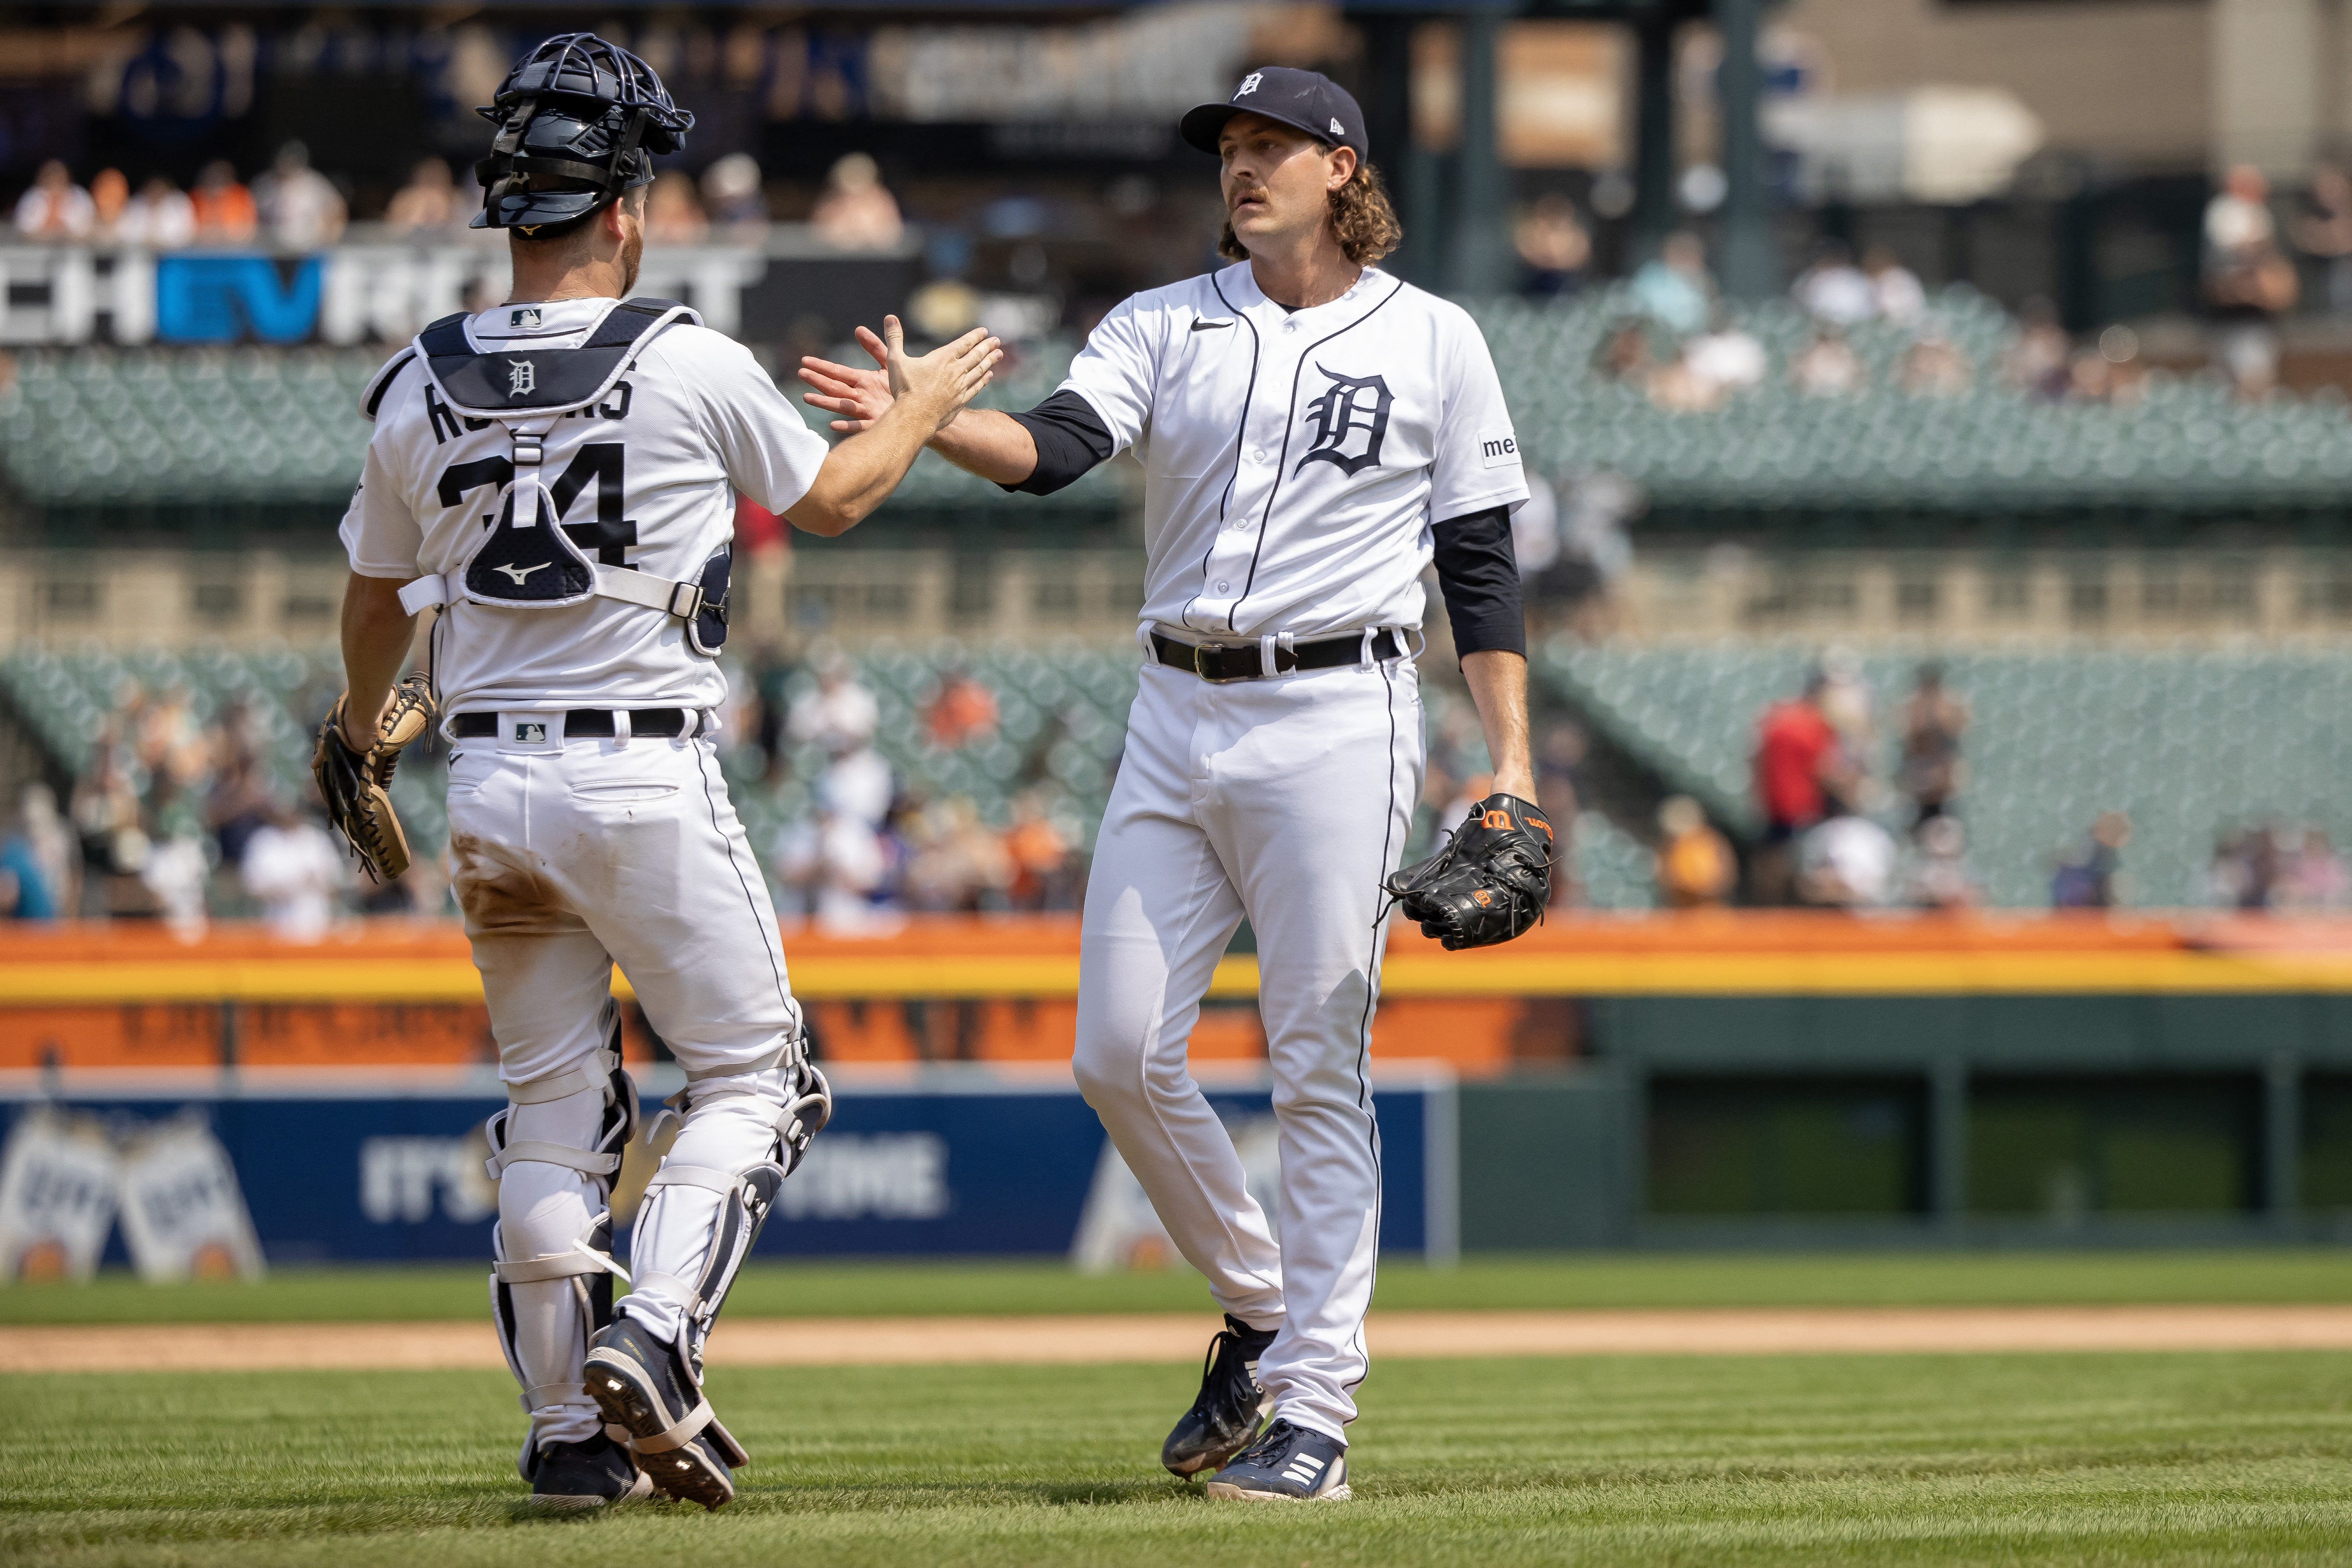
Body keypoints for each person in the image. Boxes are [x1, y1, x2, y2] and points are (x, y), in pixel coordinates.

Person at [799, 64, 1544, 1503]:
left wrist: (1510, 763)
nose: (1242, 167)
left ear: (1344, 166)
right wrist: (927, 417)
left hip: (1342, 708)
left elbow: (1483, 570)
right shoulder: (1159, 321)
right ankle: (1266, 1312)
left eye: (1273, 146)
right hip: (1172, 706)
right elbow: (1054, 453)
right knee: (1114, 1050)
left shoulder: (1438, 338)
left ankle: (1317, 1406)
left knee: (1316, 1057)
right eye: (1230, 148)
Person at [330, 32, 1000, 1511]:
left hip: (487, 788)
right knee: (765, 1073)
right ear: (625, 211)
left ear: (510, 212)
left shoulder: (412, 380)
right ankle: (657, 1334)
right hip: (642, 773)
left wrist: (350, 725)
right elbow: (834, 497)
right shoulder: (684, 356)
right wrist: (925, 402)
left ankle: (569, 1430)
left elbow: (377, 600)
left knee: (554, 1100)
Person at [1751, 671, 1848, 906]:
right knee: (1804, 871)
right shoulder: (1813, 724)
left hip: (1774, 804)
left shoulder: (1777, 718)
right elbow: (1827, 771)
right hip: (1803, 807)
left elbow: (1756, 759)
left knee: (1775, 861)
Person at [1896, 662, 1968, 826]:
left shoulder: (1949, 703)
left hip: (1943, 767)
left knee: (1946, 822)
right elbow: (1911, 732)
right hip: (1919, 767)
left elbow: (1956, 727)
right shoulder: (1912, 704)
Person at [254, 142, 346, 249]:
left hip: (309, 251)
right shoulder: (265, 184)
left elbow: (338, 210)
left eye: (293, 160)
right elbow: (253, 215)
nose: (288, 164)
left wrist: (330, 239)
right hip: (273, 251)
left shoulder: (314, 184)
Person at [810, 152, 902, 250]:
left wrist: (864, 235)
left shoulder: (882, 201)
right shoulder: (830, 203)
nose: (852, 200)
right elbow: (820, 235)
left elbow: (891, 235)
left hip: (875, 262)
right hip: (838, 262)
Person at [1655, 795, 1734, 909]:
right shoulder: (1669, 849)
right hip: (1682, 912)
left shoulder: (1710, 842)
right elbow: (1667, 880)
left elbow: (1720, 879)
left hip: (1710, 911)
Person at [1627, 230, 1712, 335]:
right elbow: (1634, 309)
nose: (1685, 259)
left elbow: (1707, 320)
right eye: (1680, 252)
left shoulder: (1703, 282)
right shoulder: (1652, 276)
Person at [1512, 193, 1589, 298]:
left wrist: (1558, 261)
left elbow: (1580, 254)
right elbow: (1526, 253)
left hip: (1565, 280)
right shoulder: (1533, 231)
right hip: (1538, 279)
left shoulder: (1572, 232)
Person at [13, 161, 94, 241]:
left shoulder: (80, 196)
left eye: (59, 177)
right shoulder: (32, 197)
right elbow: (24, 230)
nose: (55, 181)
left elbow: (86, 230)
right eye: (50, 177)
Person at [189, 161, 257, 244]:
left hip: (235, 249)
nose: (216, 182)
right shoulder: (197, 197)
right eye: (212, 179)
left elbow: (249, 230)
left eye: (220, 178)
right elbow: (190, 231)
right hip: (202, 249)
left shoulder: (241, 196)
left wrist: (226, 235)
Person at [120, 175, 196, 249]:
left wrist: (161, 242)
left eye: (159, 189)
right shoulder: (136, 205)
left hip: (173, 254)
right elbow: (127, 235)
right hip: (142, 253)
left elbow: (188, 234)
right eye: (153, 189)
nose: (156, 192)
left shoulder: (178, 203)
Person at [386, 158, 460, 232]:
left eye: (439, 177)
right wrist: (418, 214)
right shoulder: (405, 198)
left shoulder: (456, 199)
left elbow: (463, 234)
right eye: (429, 178)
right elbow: (391, 232)